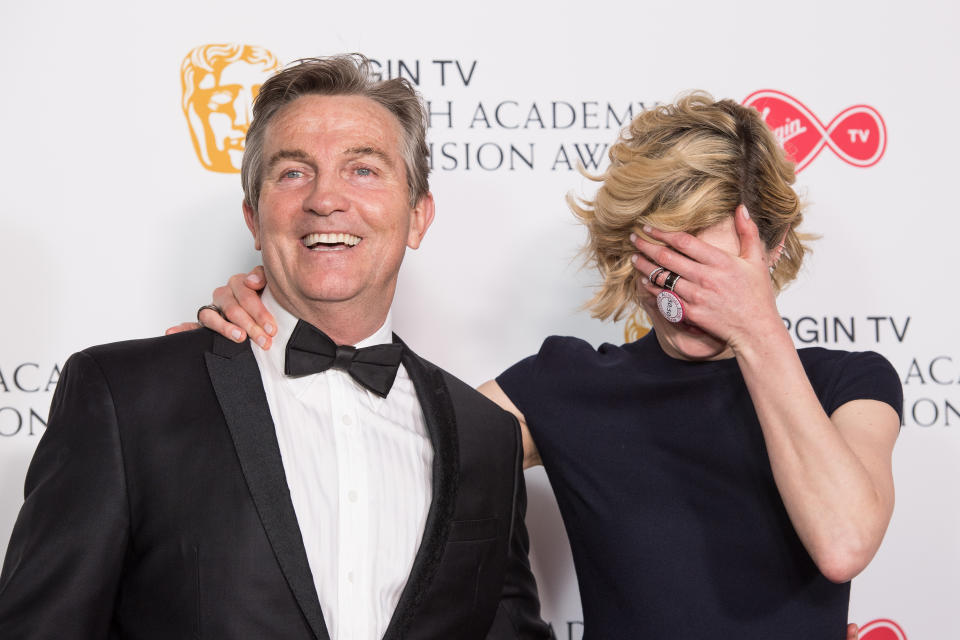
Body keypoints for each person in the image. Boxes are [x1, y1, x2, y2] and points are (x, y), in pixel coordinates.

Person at [198, 93, 898, 639]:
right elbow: (373, 443)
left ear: (771, 248)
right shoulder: (570, 387)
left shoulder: (847, 384)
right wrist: (275, 316)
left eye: (714, 271)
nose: (687, 301)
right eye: (666, 267)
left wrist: (756, 330)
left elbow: (842, 542)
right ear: (629, 251)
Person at [0, 55, 551, 640]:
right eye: (293, 173)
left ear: (418, 217)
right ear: (254, 218)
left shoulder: (485, 436)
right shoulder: (125, 398)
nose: (325, 199)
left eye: (363, 169)